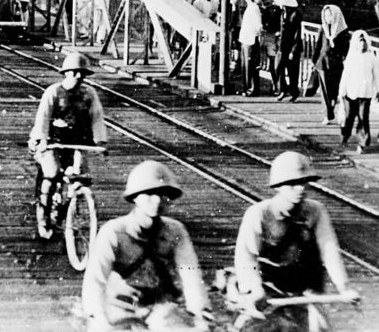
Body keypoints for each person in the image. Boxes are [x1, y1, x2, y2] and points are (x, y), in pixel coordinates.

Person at [234, 151, 360, 331]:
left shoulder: (316, 211)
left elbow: (329, 249)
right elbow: (246, 258)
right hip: (266, 290)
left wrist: (344, 287)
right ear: (278, 186)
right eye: (292, 184)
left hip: (304, 290)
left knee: (321, 327)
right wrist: (255, 290)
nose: (300, 189)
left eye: (303, 183)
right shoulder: (259, 214)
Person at [82, 160, 211, 332]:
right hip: (120, 302)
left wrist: (200, 312)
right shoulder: (114, 232)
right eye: (149, 193)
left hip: (160, 304)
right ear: (135, 197)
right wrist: (97, 315)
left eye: (163, 194)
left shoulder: (175, 230)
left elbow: (190, 273)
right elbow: (95, 279)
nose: (157, 200)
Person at [28, 52, 107, 213]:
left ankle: (74, 205)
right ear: (66, 73)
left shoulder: (88, 94)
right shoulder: (54, 92)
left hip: (78, 142)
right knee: (52, 173)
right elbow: (43, 117)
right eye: (74, 72)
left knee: (82, 176)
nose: (78, 76)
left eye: (82, 73)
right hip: (53, 141)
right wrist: (42, 140)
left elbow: (97, 116)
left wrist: (101, 141)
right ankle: (43, 214)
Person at [338, 30, 379, 153]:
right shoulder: (351, 58)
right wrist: (342, 91)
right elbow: (345, 76)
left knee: (363, 117)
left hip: (365, 93)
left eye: (364, 43)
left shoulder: (371, 57)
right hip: (350, 92)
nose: (362, 45)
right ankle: (344, 135)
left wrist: (377, 89)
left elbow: (376, 75)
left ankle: (362, 142)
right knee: (349, 116)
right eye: (359, 43)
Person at [312, 5, 350, 125]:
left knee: (334, 90)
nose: (328, 18)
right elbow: (318, 45)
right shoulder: (323, 28)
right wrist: (314, 60)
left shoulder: (342, 30)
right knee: (325, 90)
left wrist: (345, 59)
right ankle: (328, 114)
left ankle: (332, 106)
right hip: (323, 62)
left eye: (330, 15)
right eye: (326, 15)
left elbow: (346, 48)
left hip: (336, 63)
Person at [271, 0, 302, 103]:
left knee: (292, 71)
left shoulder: (295, 15)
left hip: (291, 47)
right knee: (278, 68)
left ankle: (294, 92)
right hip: (282, 46)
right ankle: (282, 89)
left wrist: (293, 51)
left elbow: (297, 35)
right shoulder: (283, 13)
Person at [238, 0, 262, 97]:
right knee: (245, 66)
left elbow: (258, 26)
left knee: (250, 66)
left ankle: (251, 88)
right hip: (245, 39)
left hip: (251, 40)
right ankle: (245, 87)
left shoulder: (254, 8)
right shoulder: (250, 7)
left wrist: (256, 37)